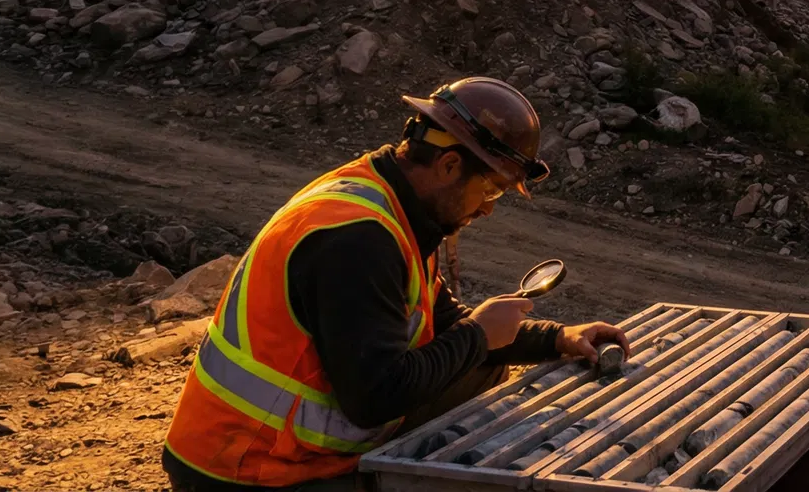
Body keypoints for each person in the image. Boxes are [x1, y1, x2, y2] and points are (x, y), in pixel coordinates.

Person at [163, 77, 628, 491]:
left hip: (278, 439)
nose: (488, 209)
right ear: (448, 165)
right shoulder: (358, 239)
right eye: (490, 190)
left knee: (482, 367)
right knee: (474, 359)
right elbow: (375, 399)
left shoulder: (395, 204)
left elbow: (445, 319)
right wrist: (480, 334)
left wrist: (558, 338)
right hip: (252, 465)